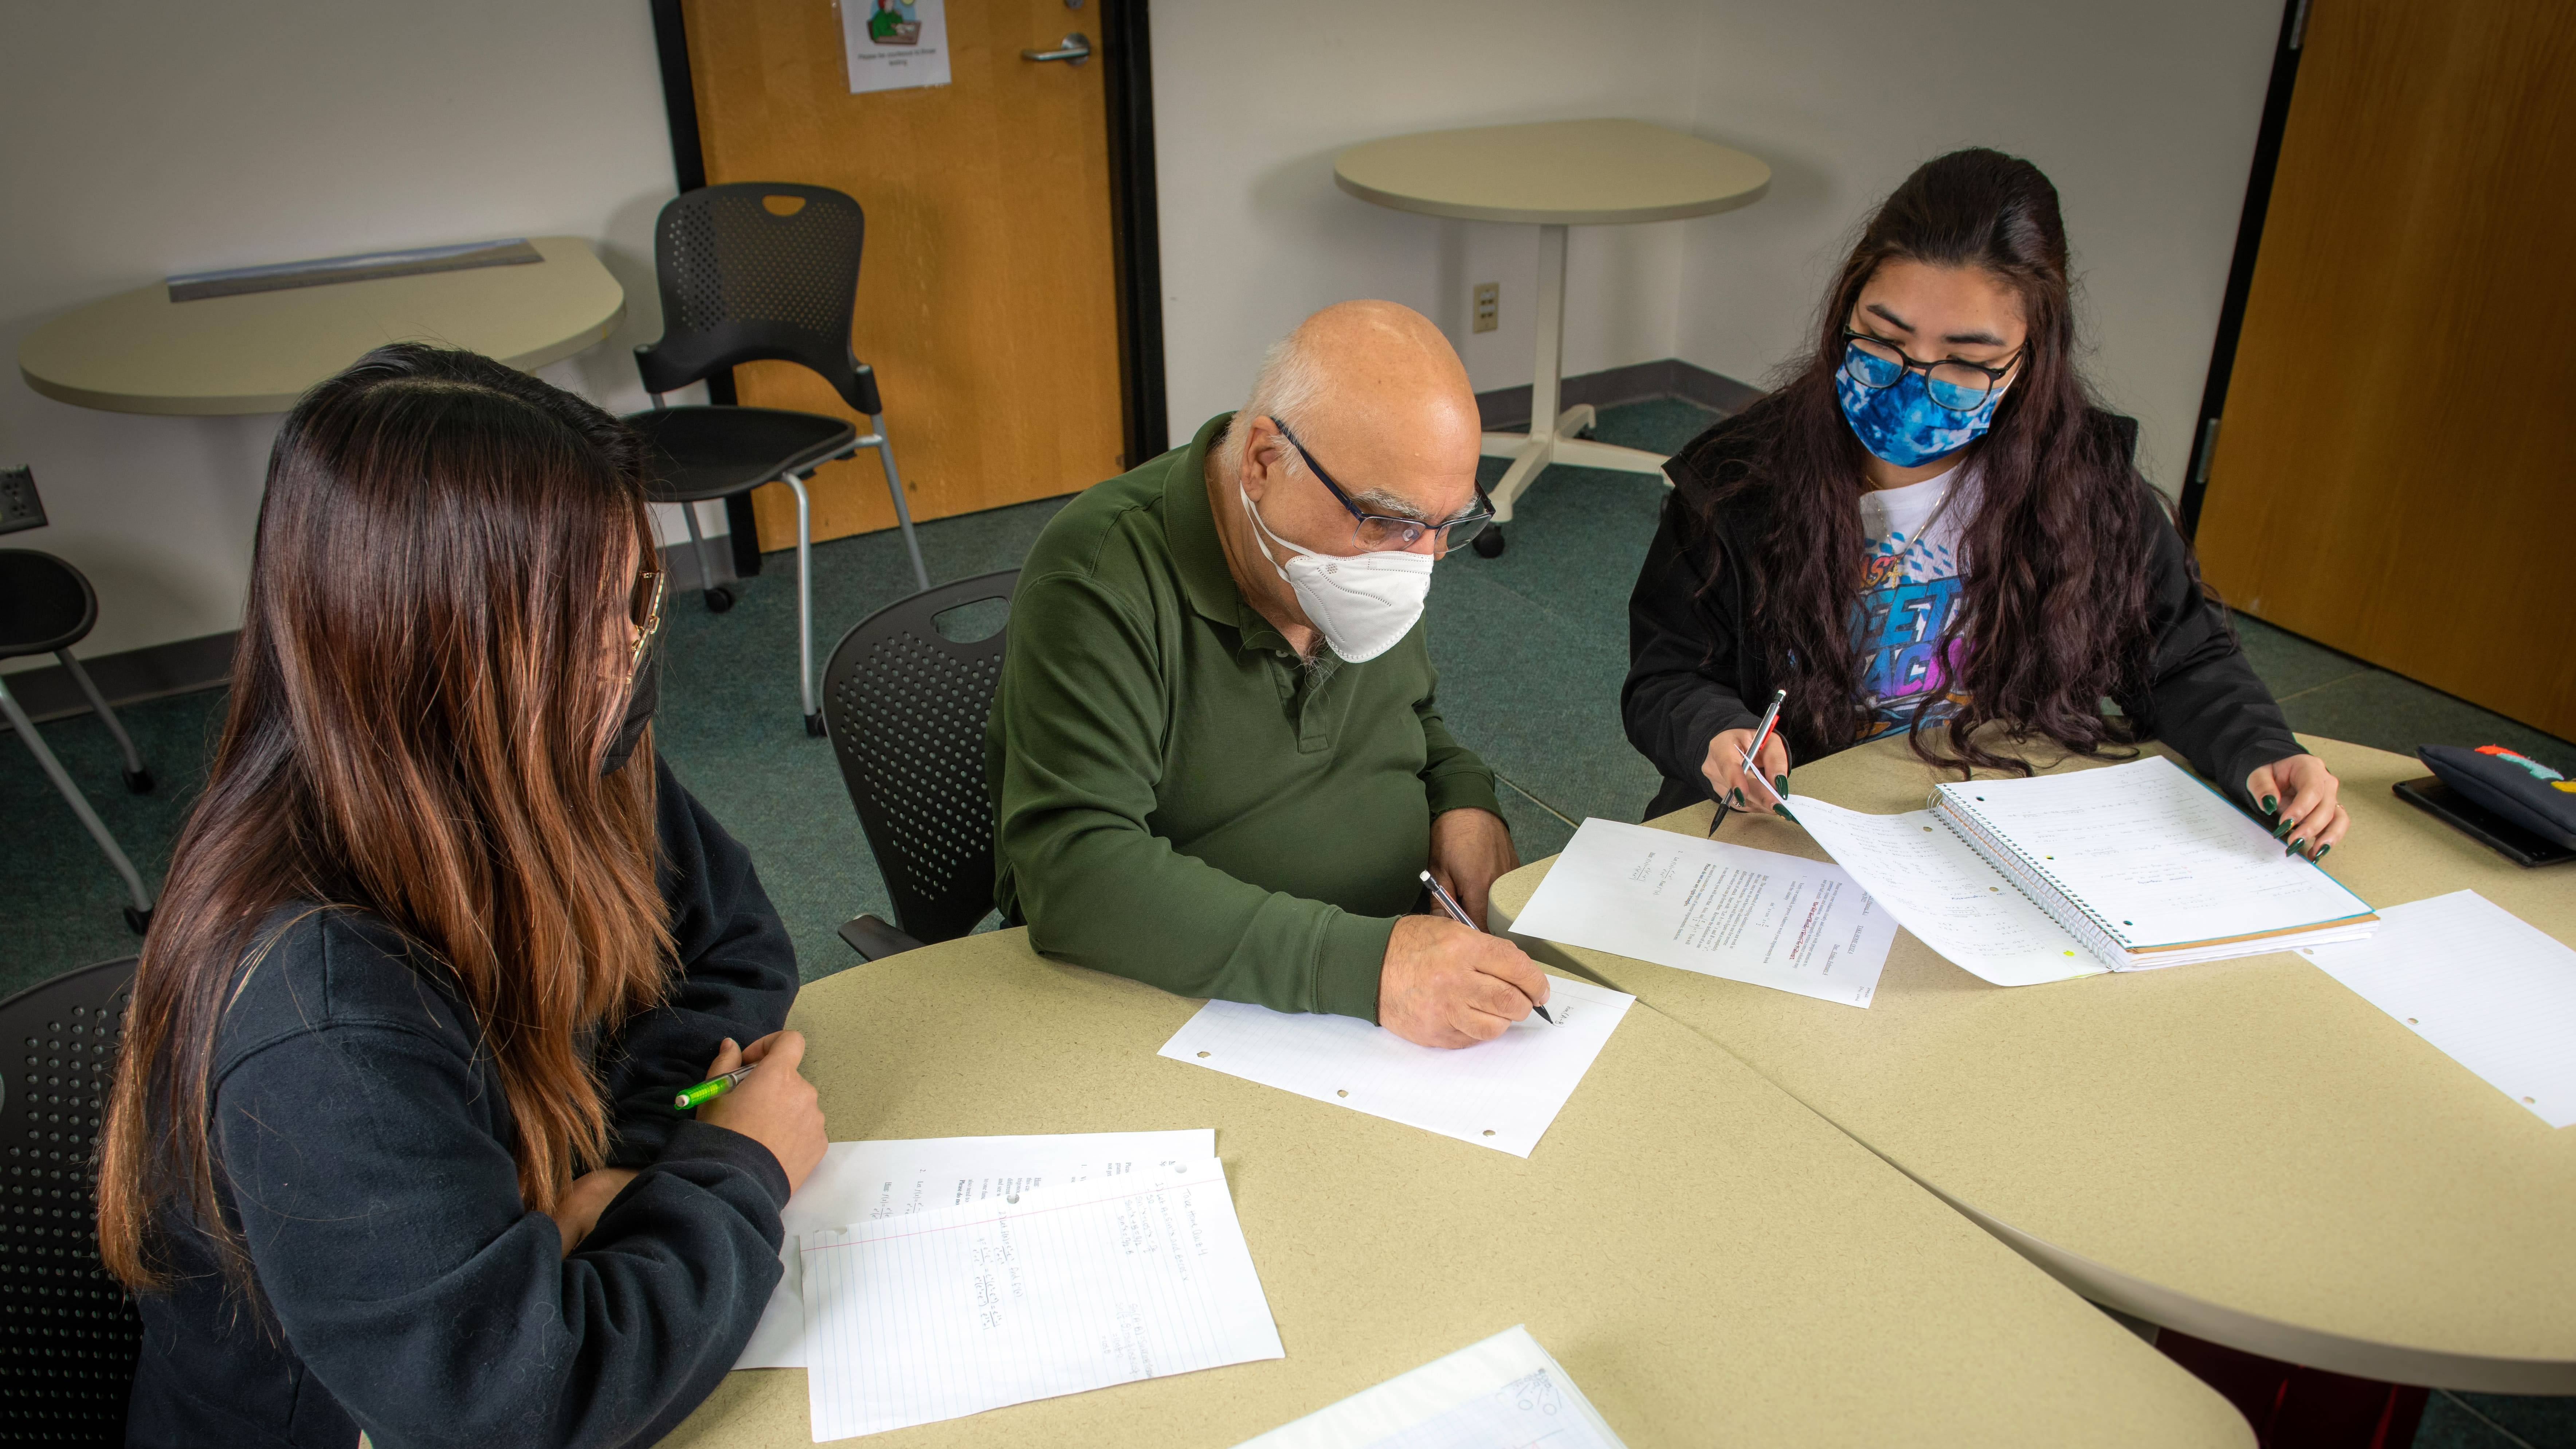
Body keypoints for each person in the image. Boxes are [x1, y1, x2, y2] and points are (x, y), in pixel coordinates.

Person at [96, 344, 829, 1448]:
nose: (633, 653)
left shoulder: (559, 748)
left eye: (638, 600)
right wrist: (738, 1165)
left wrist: (617, 1163)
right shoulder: (316, 1015)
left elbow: (734, 948)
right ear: (454, 650)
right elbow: (517, 1406)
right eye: (598, 621)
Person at [1626, 149, 2348, 859]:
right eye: (1882, 339)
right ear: (1843, 312)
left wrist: (2258, 749)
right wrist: (1716, 734)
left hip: (1987, 825)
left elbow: (2180, 659)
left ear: (2032, 357)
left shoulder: (2084, 484)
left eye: (1967, 361)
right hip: (1797, 826)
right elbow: (1667, 678)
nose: (1914, 381)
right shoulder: (1734, 483)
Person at [988, 301, 1550, 1047]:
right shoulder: (1098, 579)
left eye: (1451, 525)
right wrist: (1363, 968)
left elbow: (1409, 715)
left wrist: (1463, 802)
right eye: (1389, 522)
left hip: (1385, 975)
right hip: (1193, 1009)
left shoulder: (1358, 553)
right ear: (1260, 461)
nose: (1419, 562)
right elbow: (1074, 873)